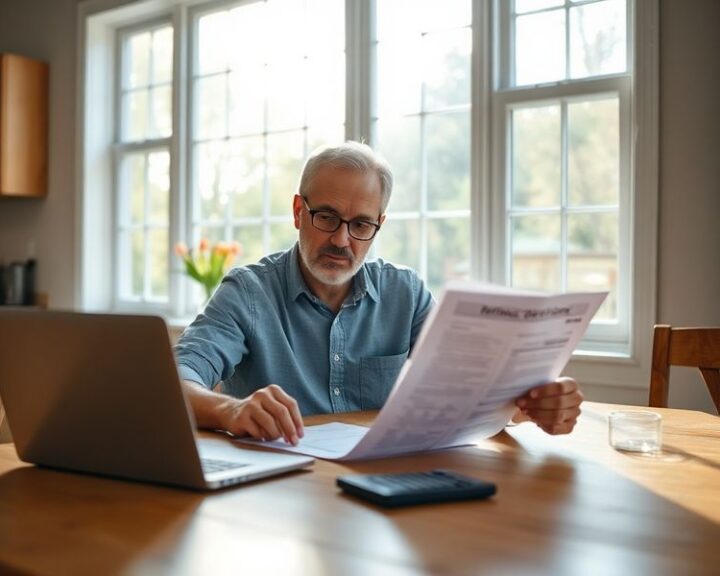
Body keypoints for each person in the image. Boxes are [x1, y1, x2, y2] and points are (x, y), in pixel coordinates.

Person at [175, 142, 583, 446]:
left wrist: (531, 406)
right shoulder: (248, 292)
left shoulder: (405, 293)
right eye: (327, 217)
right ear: (299, 211)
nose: (341, 239)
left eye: (361, 225)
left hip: (380, 481)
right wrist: (233, 409)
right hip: (282, 489)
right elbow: (175, 381)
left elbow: (465, 392)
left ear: (379, 224)